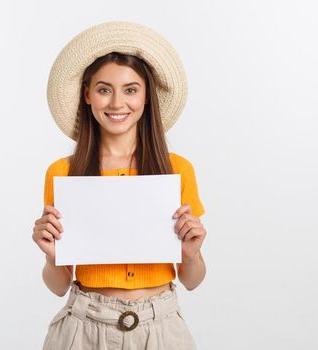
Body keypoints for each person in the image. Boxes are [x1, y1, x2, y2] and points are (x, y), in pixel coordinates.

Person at [34, 21, 207, 350]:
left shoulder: (177, 170)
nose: (117, 103)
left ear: (146, 96)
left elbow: (192, 280)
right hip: (84, 328)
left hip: (161, 328)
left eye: (130, 89)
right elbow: (57, 285)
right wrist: (53, 257)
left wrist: (191, 254)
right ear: (87, 94)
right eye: (103, 89)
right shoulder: (64, 173)